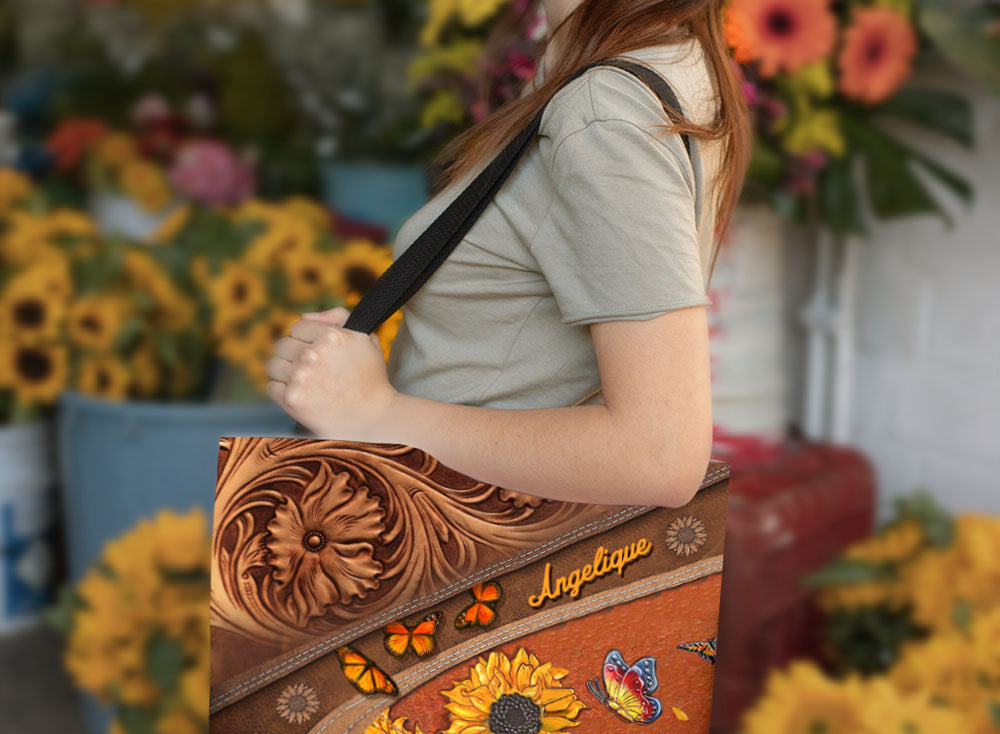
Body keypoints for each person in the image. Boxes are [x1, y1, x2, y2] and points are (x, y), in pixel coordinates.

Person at [266, 0, 751, 513]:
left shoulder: (604, 109)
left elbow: (660, 456)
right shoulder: (651, 54)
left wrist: (373, 414)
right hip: (485, 537)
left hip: (467, 550)